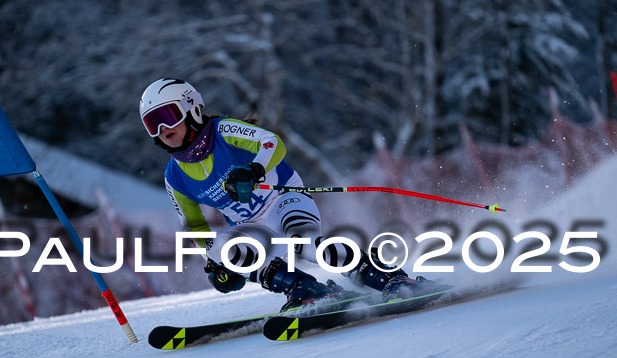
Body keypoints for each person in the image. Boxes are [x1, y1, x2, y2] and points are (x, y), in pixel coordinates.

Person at [139, 78, 424, 310]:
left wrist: (253, 170)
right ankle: (306, 289)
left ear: (192, 109)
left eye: (167, 116)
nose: (162, 129)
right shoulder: (174, 176)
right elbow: (194, 227)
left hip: (284, 200)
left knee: (305, 243)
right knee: (224, 249)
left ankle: (389, 278)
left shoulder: (222, 131)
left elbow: (272, 143)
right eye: (153, 124)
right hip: (251, 228)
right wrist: (214, 263)